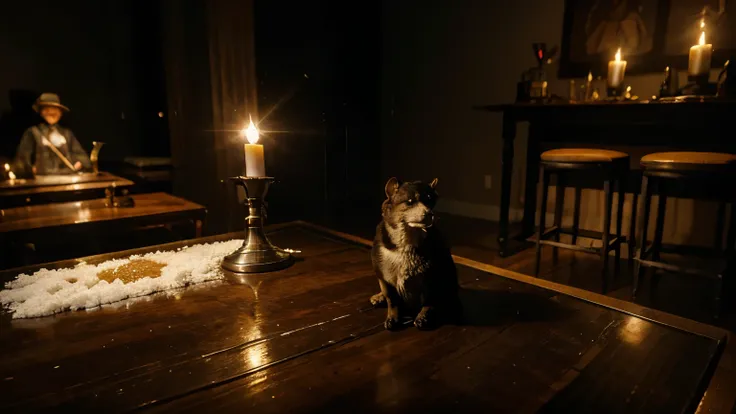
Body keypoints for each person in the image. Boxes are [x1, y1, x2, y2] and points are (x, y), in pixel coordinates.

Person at [14, 93, 91, 175]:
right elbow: (21, 159)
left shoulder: (67, 134)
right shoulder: (33, 132)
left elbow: (81, 156)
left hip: (67, 177)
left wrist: (79, 163)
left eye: (54, 109)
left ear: (60, 113)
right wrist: (30, 169)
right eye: (47, 109)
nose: (51, 112)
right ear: (41, 112)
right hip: (42, 180)